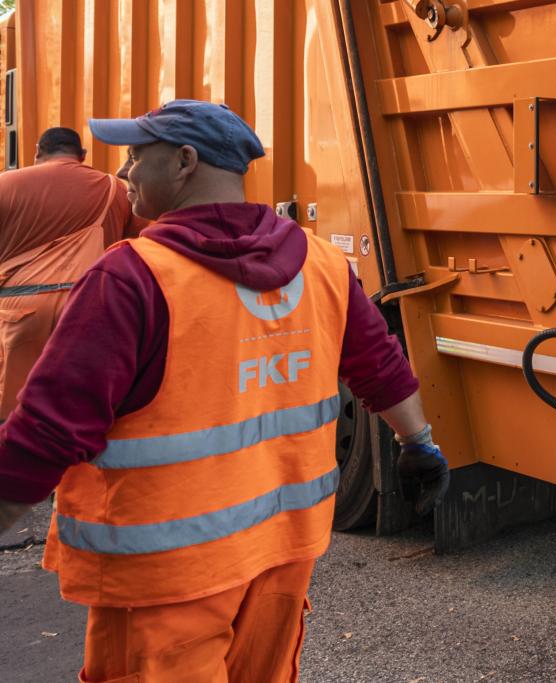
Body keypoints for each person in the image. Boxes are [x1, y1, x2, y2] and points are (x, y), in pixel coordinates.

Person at [0, 100, 450, 683]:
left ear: (185, 162)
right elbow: (381, 367)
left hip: (163, 579)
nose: (127, 172)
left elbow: (50, 429)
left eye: (138, 155)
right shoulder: (321, 263)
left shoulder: (132, 279)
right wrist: (419, 444)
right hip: (281, 556)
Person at [0, 126, 140, 418]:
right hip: (88, 304)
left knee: (14, 410)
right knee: (80, 405)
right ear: (82, 155)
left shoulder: (5, 184)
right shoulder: (115, 188)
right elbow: (135, 246)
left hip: (19, 309)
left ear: (38, 151)